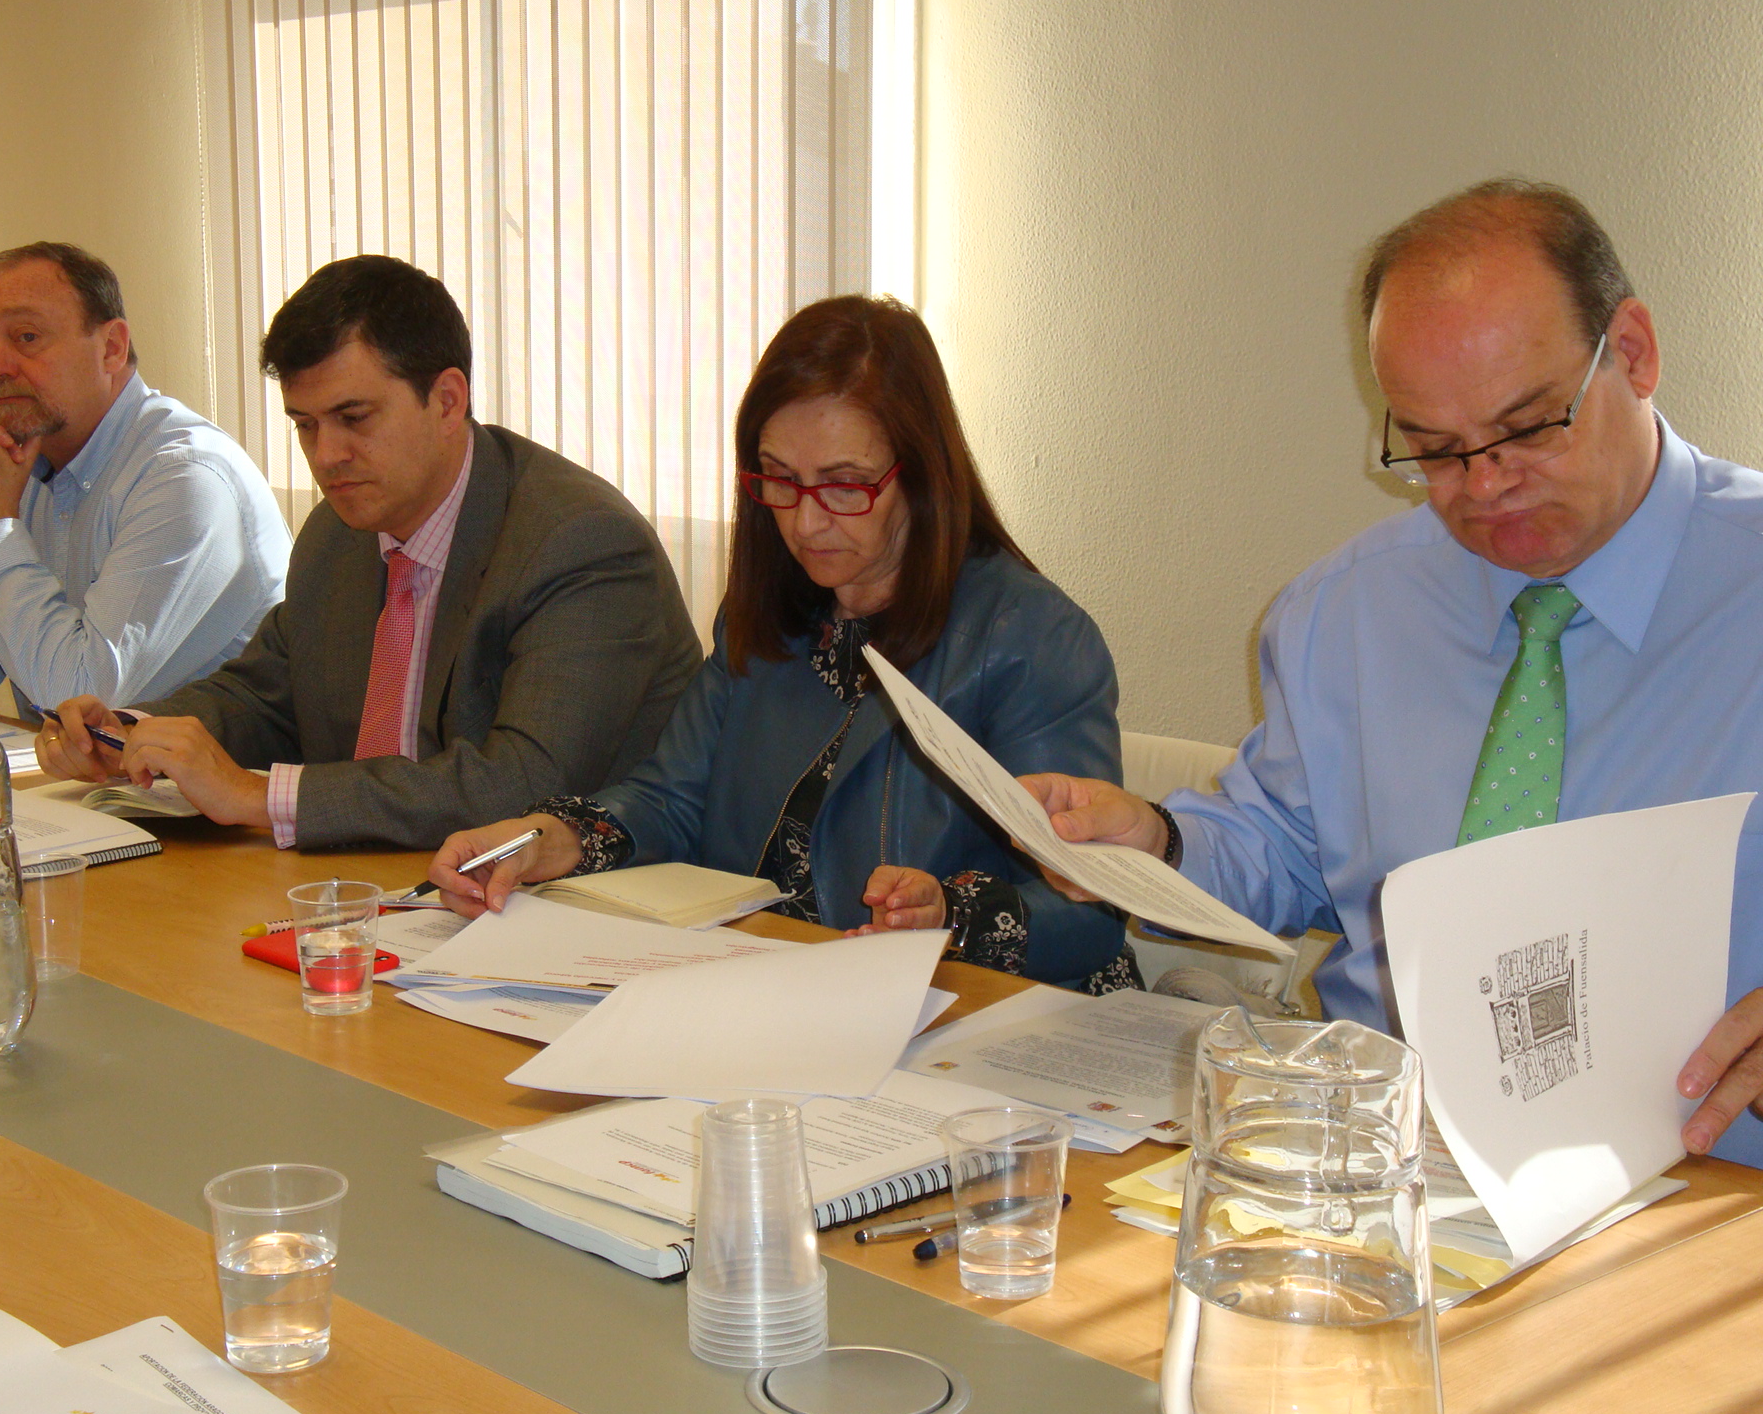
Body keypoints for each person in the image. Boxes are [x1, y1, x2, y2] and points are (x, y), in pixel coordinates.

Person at [1019, 179, 1763, 1166]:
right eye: (1434, 449)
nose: (1484, 487)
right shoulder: (1345, 612)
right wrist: (1151, 844)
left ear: (1630, 353)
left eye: (1529, 425)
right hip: (1381, 1174)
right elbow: (1287, 854)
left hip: (1697, 1198)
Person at [428, 295, 1133, 984]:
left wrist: (950, 917)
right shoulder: (770, 613)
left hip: (978, 1029)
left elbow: (1092, 909)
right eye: (780, 480)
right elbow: (673, 797)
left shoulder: (1031, 639)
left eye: (845, 486)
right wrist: (539, 841)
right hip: (780, 994)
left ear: (921, 476)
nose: (803, 522)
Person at [36, 254, 702, 851]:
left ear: (446, 401)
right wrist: (133, 733)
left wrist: (255, 796)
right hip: (382, 894)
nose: (326, 456)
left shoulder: (577, 541)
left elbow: (522, 785)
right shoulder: (338, 533)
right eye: (305, 425)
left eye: (355, 419)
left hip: (567, 914)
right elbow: (267, 696)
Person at [0, 243, 291, 714]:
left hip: (199, 784)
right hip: (87, 780)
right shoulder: (15, 470)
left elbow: (79, 698)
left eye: (27, 337)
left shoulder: (185, 478)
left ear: (111, 348)